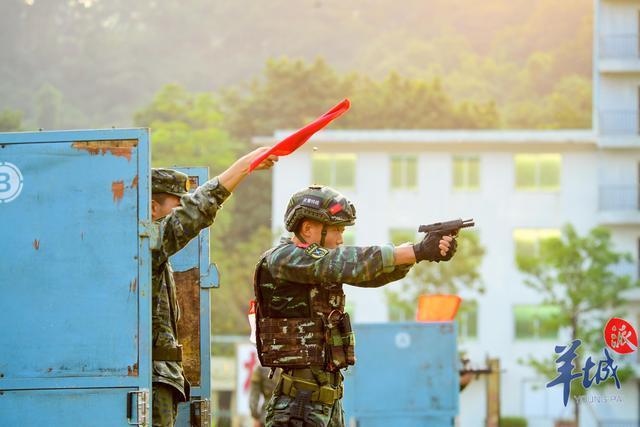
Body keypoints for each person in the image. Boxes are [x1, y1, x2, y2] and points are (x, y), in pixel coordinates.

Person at [253, 185, 458, 427]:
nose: (340, 239)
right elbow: (349, 263)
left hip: (325, 403)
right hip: (298, 405)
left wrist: (419, 254)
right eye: (336, 230)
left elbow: (368, 274)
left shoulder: (319, 265)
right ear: (308, 228)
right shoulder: (283, 258)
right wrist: (416, 250)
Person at [151, 147, 278, 427]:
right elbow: (197, 210)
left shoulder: (152, 253)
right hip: (155, 378)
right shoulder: (146, 247)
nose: (180, 212)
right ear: (152, 207)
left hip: (162, 378)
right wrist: (243, 166)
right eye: (176, 204)